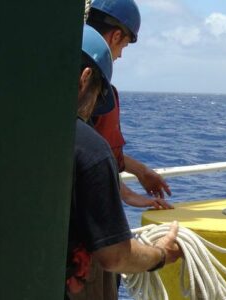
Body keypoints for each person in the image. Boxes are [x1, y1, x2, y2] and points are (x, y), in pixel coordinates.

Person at [65, 25, 183, 299]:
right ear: (85, 79)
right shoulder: (90, 148)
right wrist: (162, 254)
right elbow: (115, 256)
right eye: (97, 97)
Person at [87, 0, 172, 209]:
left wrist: (139, 170)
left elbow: (88, 144)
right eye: (123, 45)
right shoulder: (93, 88)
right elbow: (87, 158)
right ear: (116, 36)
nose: (121, 54)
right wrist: (129, 195)